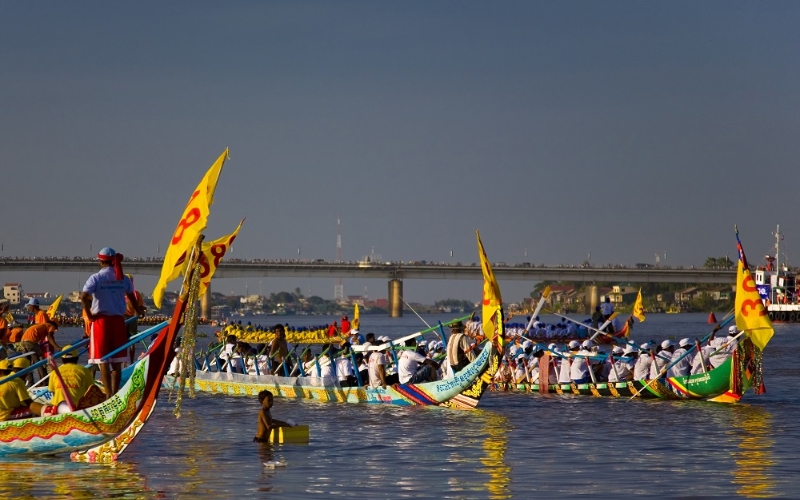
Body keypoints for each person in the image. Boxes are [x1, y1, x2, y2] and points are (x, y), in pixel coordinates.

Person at [81, 247, 144, 400]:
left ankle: (108, 394)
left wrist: (89, 315)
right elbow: (132, 297)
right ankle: (115, 394)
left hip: (101, 322)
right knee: (117, 361)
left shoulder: (95, 278)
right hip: (118, 322)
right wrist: (138, 311)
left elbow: (83, 297)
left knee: (103, 360)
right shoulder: (123, 278)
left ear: (101, 261)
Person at [46, 347, 95, 414]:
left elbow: (53, 392)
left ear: (62, 359)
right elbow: (91, 390)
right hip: (77, 407)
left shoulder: (54, 372)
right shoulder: (84, 370)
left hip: (57, 408)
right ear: (77, 358)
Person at [123, 274, 145, 364]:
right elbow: (139, 307)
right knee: (132, 341)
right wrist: (141, 312)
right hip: (130, 318)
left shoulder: (121, 292)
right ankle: (130, 362)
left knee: (124, 341)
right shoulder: (135, 294)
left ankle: (124, 362)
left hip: (124, 318)